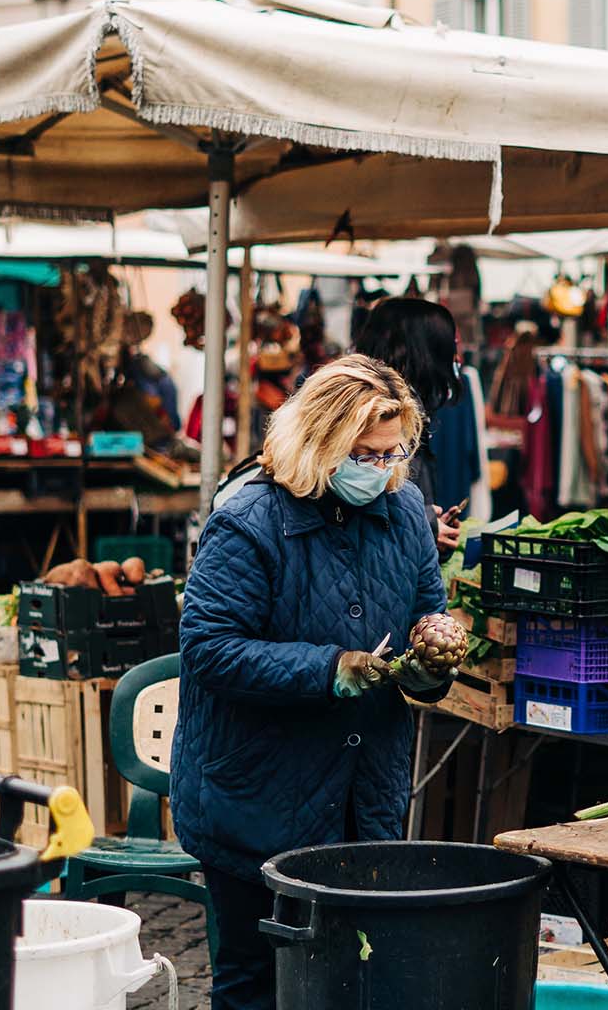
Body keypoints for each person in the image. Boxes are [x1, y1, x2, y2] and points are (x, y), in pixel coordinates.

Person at [175, 355, 454, 1010]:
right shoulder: (248, 520)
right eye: (364, 453)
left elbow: (425, 614)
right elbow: (208, 648)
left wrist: (430, 670)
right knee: (256, 981)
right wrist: (330, 670)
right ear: (320, 442)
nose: (380, 469)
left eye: (392, 453)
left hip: (365, 795)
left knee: (354, 978)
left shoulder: (406, 511)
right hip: (258, 794)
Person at [354, 298, 465, 555]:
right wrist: (424, 523)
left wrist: (430, 523)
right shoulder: (382, 411)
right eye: (449, 347)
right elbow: (361, 507)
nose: (455, 358)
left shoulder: (408, 406)